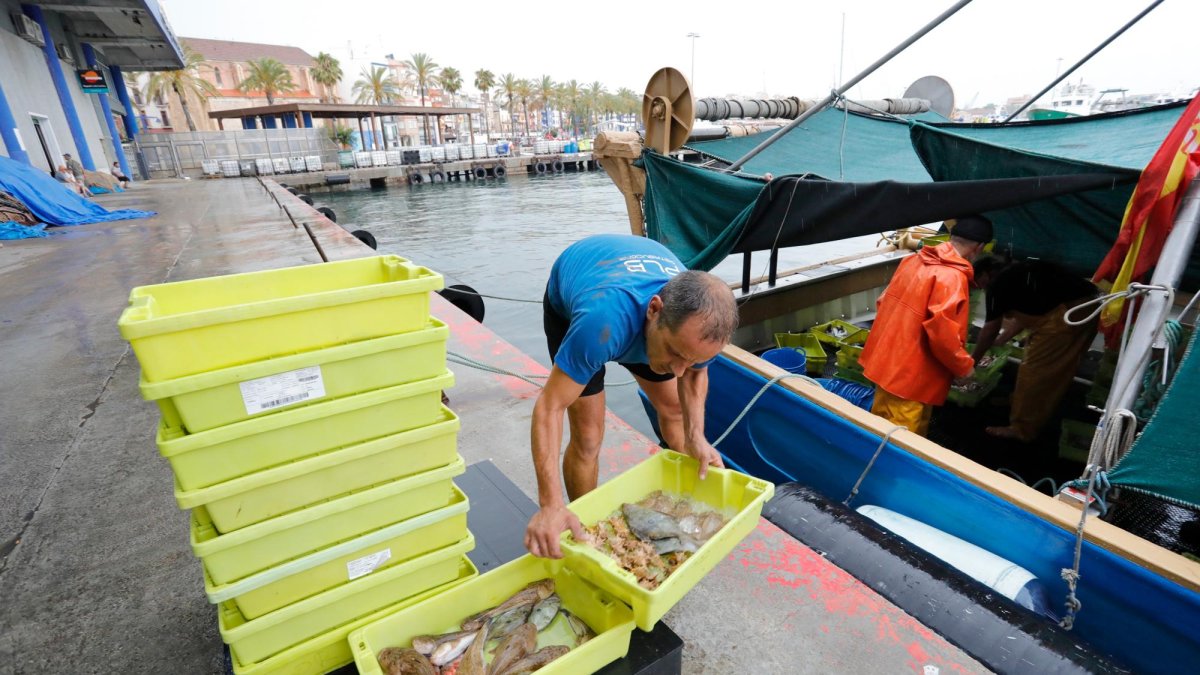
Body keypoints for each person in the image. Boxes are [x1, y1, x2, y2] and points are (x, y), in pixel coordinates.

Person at [525, 234, 739, 558]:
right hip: (584, 299)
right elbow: (550, 407)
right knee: (588, 436)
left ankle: (680, 523)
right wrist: (549, 503)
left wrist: (697, 437)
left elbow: (694, 374)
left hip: (639, 312)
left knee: (675, 413)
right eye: (675, 353)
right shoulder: (600, 322)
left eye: (691, 360)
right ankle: (586, 532)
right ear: (654, 310)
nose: (678, 372)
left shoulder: (702, 332)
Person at [858, 215, 994, 436]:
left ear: (951, 237)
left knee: (878, 429)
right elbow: (942, 334)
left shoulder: (912, 260)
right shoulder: (952, 277)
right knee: (903, 441)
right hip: (911, 379)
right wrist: (963, 367)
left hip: (885, 364)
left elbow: (882, 302)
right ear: (978, 248)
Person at [970, 257, 1100, 442]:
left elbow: (990, 328)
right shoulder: (1015, 271)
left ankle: (1022, 429)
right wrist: (1002, 340)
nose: (978, 287)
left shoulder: (998, 285)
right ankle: (1019, 403)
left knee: (1037, 372)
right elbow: (1026, 313)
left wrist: (972, 361)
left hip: (1070, 315)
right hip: (1084, 305)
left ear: (985, 274)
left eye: (977, 282)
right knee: (1035, 366)